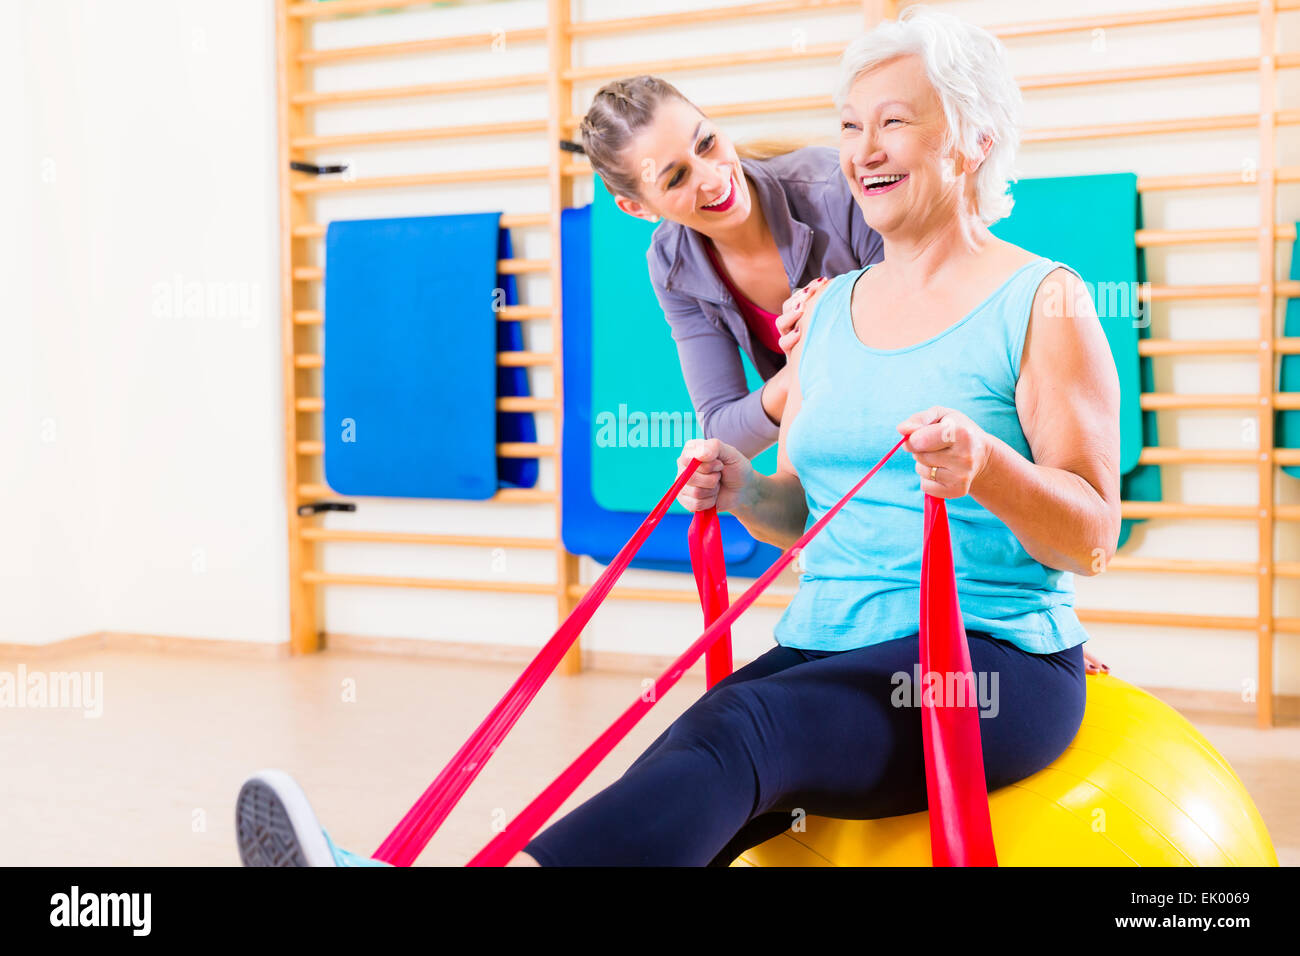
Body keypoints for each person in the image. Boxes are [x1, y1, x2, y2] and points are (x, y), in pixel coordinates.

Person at [510, 5, 1121, 867]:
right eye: (849, 126)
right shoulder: (825, 312)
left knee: (745, 727)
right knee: (688, 752)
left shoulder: (1043, 300)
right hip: (830, 640)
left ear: (973, 141)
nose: (864, 148)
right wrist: (742, 489)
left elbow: (1094, 538)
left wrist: (987, 468)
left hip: (983, 662)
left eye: (895, 123)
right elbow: (805, 517)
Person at [577, 76, 883, 458]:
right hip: (837, 455)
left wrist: (810, 358)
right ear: (638, 208)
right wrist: (805, 366)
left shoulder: (836, 191)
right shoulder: (672, 265)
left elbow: (915, 343)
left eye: (706, 143)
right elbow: (722, 429)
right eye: (676, 177)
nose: (713, 177)